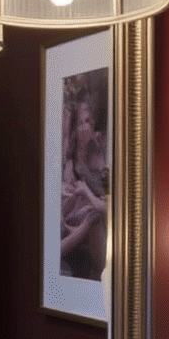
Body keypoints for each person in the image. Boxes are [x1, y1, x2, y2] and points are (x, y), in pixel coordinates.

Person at [60, 81, 108, 281]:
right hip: (73, 215)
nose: (85, 127)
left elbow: (106, 193)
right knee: (92, 215)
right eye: (80, 123)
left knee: (95, 215)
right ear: (74, 128)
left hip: (96, 212)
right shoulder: (69, 157)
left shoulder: (98, 152)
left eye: (88, 121)